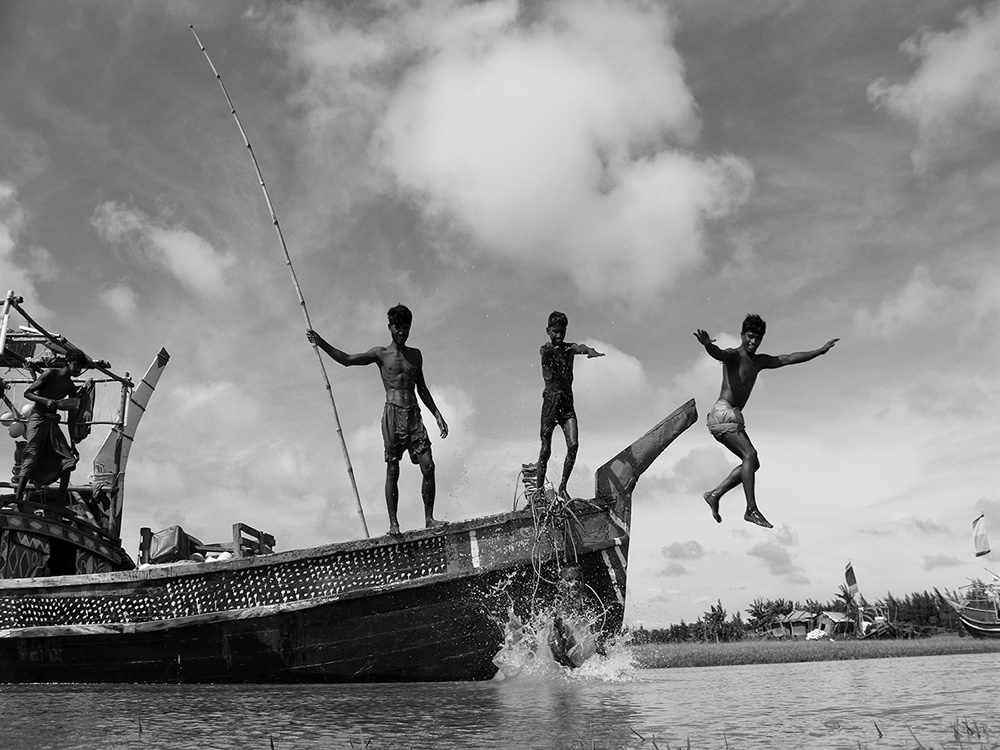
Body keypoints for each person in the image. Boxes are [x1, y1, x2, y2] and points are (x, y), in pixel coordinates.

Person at [307, 304, 448, 536]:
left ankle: (429, 518)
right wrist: (320, 342)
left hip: (414, 415)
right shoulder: (380, 354)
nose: (402, 333)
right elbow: (347, 359)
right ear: (390, 327)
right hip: (393, 415)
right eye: (398, 328)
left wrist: (437, 414)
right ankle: (393, 525)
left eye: (406, 328)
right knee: (393, 470)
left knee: (429, 466)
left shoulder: (416, 355)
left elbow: (421, 388)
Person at [694, 314, 838, 529]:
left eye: (758, 338)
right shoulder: (735, 355)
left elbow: (787, 358)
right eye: (750, 337)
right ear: (742, 335)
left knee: (752, 463)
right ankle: (751, 509)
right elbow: (719, 353)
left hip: (729, 417)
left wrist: (819, 351)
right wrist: (707, 345)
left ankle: (715, 494)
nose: (754, 342)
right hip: (722, 412)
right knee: (750, 455)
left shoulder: (759, 361)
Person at [536, 311, 604, 501]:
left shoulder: (569, 349)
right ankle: (538, 492)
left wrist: (590, 350)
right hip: (550, 404)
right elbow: (545, 353)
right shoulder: (546, 350)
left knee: (573, 445)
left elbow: (580, 347)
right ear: (548, 331)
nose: (559, 336)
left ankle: (563, 487)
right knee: (545, 449)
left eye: (562, 332)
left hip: (566, 405)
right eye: (555, 332)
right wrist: (550, 355)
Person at [14, 349, 88, 506]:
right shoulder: (50, 374)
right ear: (67, 362)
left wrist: (73, 444)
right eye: (76, 365)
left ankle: (60, 503)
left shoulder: (71, 387)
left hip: (52, 423)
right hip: (37, 419)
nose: (78, 370)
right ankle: (18, 499)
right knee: (31, 456)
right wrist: (45, 400)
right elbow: (28, 393)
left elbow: (72, 417)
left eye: (80, 367)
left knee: (69, 461)